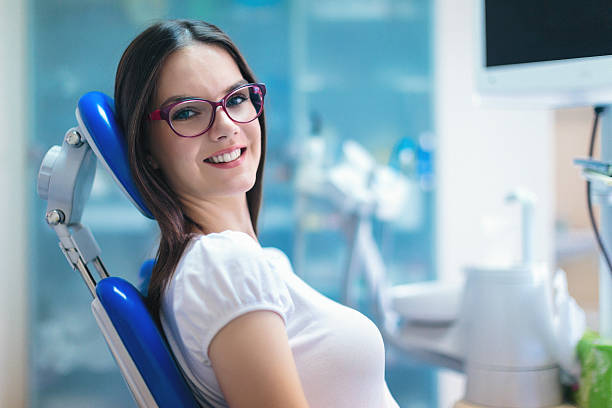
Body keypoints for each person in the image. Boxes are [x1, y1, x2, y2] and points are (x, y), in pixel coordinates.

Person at [114, 19, 400, 408]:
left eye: (235, 99)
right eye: (186, 113)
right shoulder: (224, 265)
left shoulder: (238, 262)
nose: (226, 126)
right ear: (145, 147)